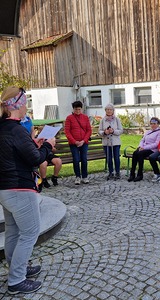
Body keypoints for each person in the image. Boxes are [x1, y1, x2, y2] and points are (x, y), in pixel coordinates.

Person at [0, 86, 55, 294]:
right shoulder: (16, 129)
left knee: (13, 232)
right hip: (20, 188)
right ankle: (16, 280)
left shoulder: (3, 127)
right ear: (18, 105)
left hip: (5, 189)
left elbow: (18, 152)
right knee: (30, 233)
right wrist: (47, 145)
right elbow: (35, 158)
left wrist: (33, 144)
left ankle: (17, 268)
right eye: (25, 104)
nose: (26, 108)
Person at [128, 117, 160, 182]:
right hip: (143, 148)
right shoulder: (148, 132)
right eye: (151, 124)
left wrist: (144, 148)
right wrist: (140, 146)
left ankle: (140, 174)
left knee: (140, 154)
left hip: (152, 150)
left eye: (154, 124)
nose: (152, 125)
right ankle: (132, 173)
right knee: (135, 153)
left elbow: (156, 144)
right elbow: (142, 140)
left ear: (158, 124)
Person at [65, 100, 92, 185]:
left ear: (82, 109)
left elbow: (89, 130)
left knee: (84, 159)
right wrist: (75, 141)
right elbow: (67, 132)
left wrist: (84, 140)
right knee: (76, 159)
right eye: (76, 109)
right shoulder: (69, 118)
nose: (78, 111)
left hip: (84, 142)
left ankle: (84, 176)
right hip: (74, 143)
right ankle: (77, 176)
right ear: (73, 109)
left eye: (79, 109)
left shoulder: (85, 117)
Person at [98, 103, 123, 180]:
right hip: (106, 143)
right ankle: (110, 172)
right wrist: (104, 132)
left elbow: (121, 130)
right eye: (107, 109)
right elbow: (99, 131)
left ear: (113, 111)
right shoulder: (102, 120)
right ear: (105, 111)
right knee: (109, 158)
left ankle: (118, 172)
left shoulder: (117, 119)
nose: (109, 111)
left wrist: (113, 131)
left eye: (110, 109)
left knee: (116, 158)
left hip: (116, 142)